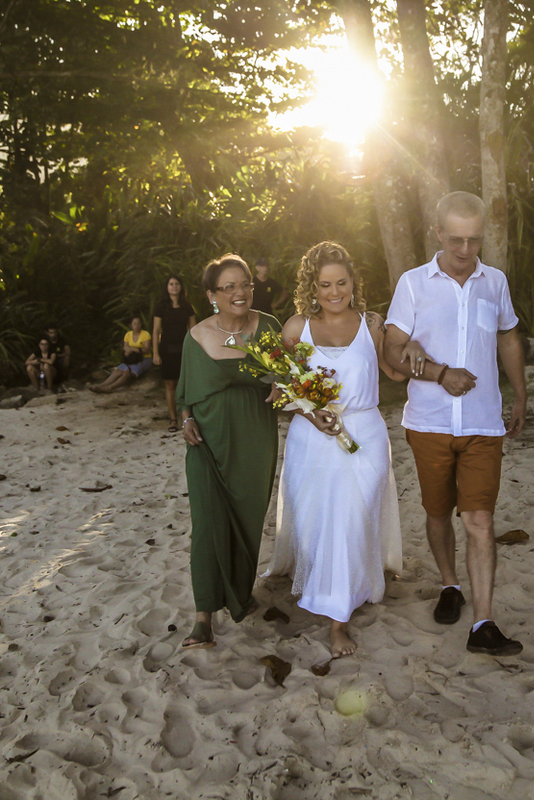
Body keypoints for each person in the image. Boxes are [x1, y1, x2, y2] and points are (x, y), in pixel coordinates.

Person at [383, 191, 528, 658]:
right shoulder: (412, 284)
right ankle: (450, 585)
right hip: (428, 422)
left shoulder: (495, 282)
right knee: (438, 512)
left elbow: (507, 337)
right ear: (439, 234)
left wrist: (520, 393)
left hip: (485, 423)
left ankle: (483, 623)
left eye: (475, 239)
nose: (467, 250)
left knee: (480, 520)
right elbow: (392, 349)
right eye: (457, 239)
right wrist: (441, 374)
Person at [264, 241, 417, 658]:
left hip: (364, 436)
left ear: (354, 281)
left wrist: (416, 349)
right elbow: (278, 393)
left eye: (342, 283)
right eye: (325, 284)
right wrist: (310, 411)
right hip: (311, 440)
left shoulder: (371, 324)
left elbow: (395, 370)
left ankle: (337, 624)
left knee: (351, 521)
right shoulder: (296, 328)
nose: (334, 292)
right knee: (318, 528)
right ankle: (335, 588)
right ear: (312, 286)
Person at [177, 254, 281, 649]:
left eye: (246, 284)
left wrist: (282, 387)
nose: (241, 293)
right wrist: (186, 419)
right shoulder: (196, 336)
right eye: (230, 287)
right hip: (207, 441)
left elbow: (284, 375)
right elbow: (185, 392)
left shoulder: (266, 326)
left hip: (255, 438)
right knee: (206, 522)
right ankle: (203, 616)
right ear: (212, 295)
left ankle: (239, 592)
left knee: (247, 517)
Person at [152, 274, 197, 431]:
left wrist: (195, 352)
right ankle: (173, 419)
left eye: (177, 283)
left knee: (187, 384)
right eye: (171, 284)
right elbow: (156, 330)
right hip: (167, 349)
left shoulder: (187, 307)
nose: (174, 286)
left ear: (181, 287)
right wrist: (155, 353)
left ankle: (189, 417)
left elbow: (193, 330)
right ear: (167, 287)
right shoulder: (161, 307)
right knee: (170, 384)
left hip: (184, 350)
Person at [89, 317, 151, 393]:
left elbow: (146, 349)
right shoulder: (128, 334)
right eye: (134, 323)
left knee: (126, 373)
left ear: (141, 325)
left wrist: (132, 349)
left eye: (138, 323)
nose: (136, 325)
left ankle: (110, 387)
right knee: (117, 371)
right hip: (131, 359)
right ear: (131, 325)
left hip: (144, 359)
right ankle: (101, 385)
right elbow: (125, 346)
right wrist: (128, 350)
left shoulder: (146, 334)